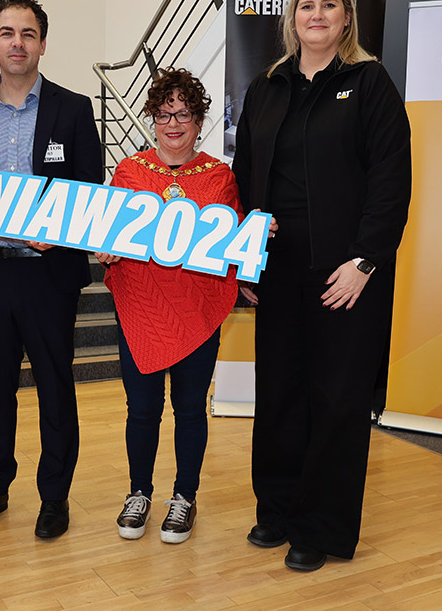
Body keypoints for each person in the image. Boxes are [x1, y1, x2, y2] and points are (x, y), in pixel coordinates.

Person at [232, 0, 411, 572]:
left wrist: (365, 262)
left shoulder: (369, 82)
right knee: (279, 393)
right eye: (306, 5)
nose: (316, 14)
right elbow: (247, 176)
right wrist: (248, 251)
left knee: (335, 399)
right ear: (293, 18)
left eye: (328, 5)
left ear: (345, 18)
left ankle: (321, 527)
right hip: (278, 268)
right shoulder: (266, 86)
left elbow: (391, 180)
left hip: (346, 273)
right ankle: (277, 510)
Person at [0, 0, 102, 539]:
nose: (18, 43)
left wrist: (57, 234)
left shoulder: (74, 107)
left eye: (28, 33)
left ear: (42, 42)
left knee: (56, 387)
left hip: (49, 276)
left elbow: (89, 190)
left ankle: (54, 496)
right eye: (8, 33)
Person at [96, 68, 248, 544]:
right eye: (164, 114)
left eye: (183, 113)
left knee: (189, 409)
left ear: (199, 120)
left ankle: (184, 496)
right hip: (140, 308)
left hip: (196, 313)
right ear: (152, 120)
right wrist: (105, 248)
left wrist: (254, 242)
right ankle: (139, 492)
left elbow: (231, 239)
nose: (174, 123)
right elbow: (110, 231)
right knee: (141, 410)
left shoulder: (220, 176)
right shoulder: (129, 171)